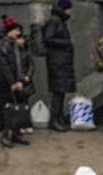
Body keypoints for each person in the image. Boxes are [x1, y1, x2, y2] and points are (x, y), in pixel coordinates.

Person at [0, 17, 33, 148]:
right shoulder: (0, 45)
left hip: (15, 82)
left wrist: (20, 81)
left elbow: (19, 65)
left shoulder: (12, 44)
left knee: (16, 107)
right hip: (5, 83)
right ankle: (6, 135)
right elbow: (4, 67)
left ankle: (15, 133)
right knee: (7, 108)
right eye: (16, 30)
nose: (18, 33)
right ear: (9, 31)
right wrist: (12, 82)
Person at [42, 0, 76, 132]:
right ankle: (54, 121)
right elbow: (48, 39)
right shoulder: (55, 21)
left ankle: (59, 119)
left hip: (61, 62)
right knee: (58, 91)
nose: (70, 12)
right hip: (57, 63)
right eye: (69, 9)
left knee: (61, 91)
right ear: (63, 9)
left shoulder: (60, 21)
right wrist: (66, 43)